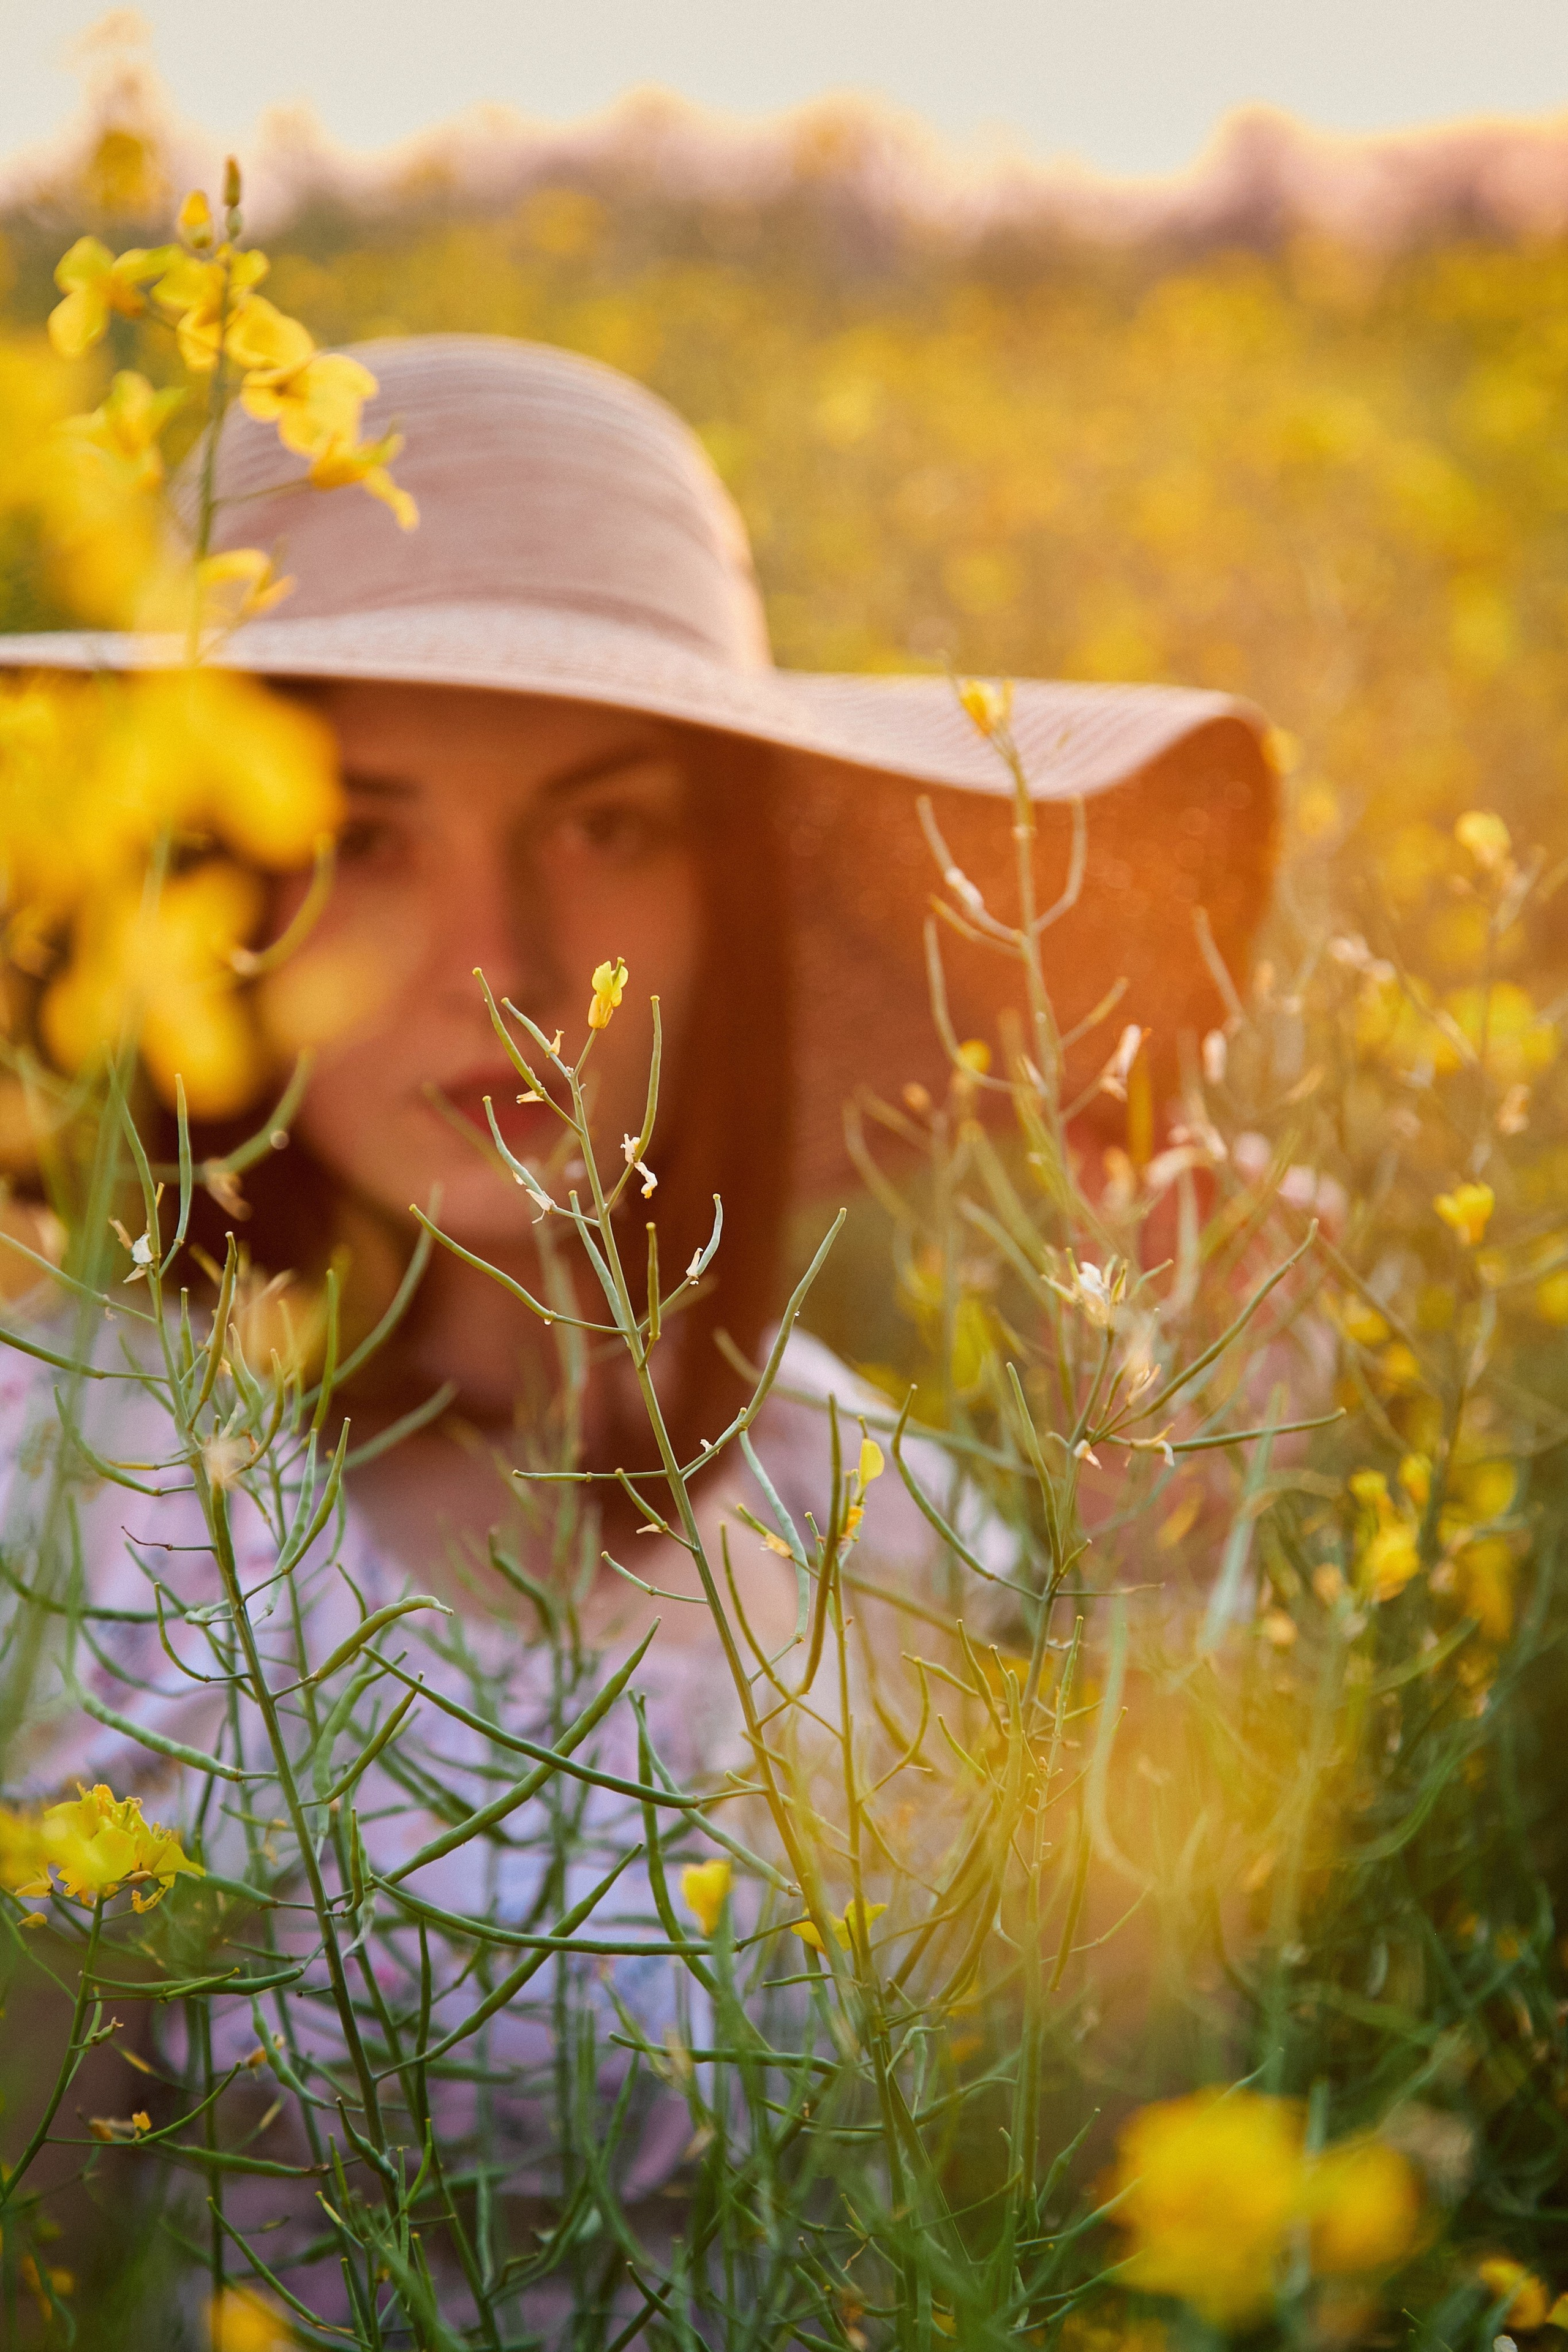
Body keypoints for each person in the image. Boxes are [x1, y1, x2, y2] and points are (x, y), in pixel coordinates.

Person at [0, 335, 1278, 2332]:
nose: (499, 969)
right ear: (207, 890)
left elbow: (1077, 2205)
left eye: (608, 829)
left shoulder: (890, 1518)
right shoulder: (60, 1500)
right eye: (362, 839)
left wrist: (1160, 1588)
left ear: (731, 902)